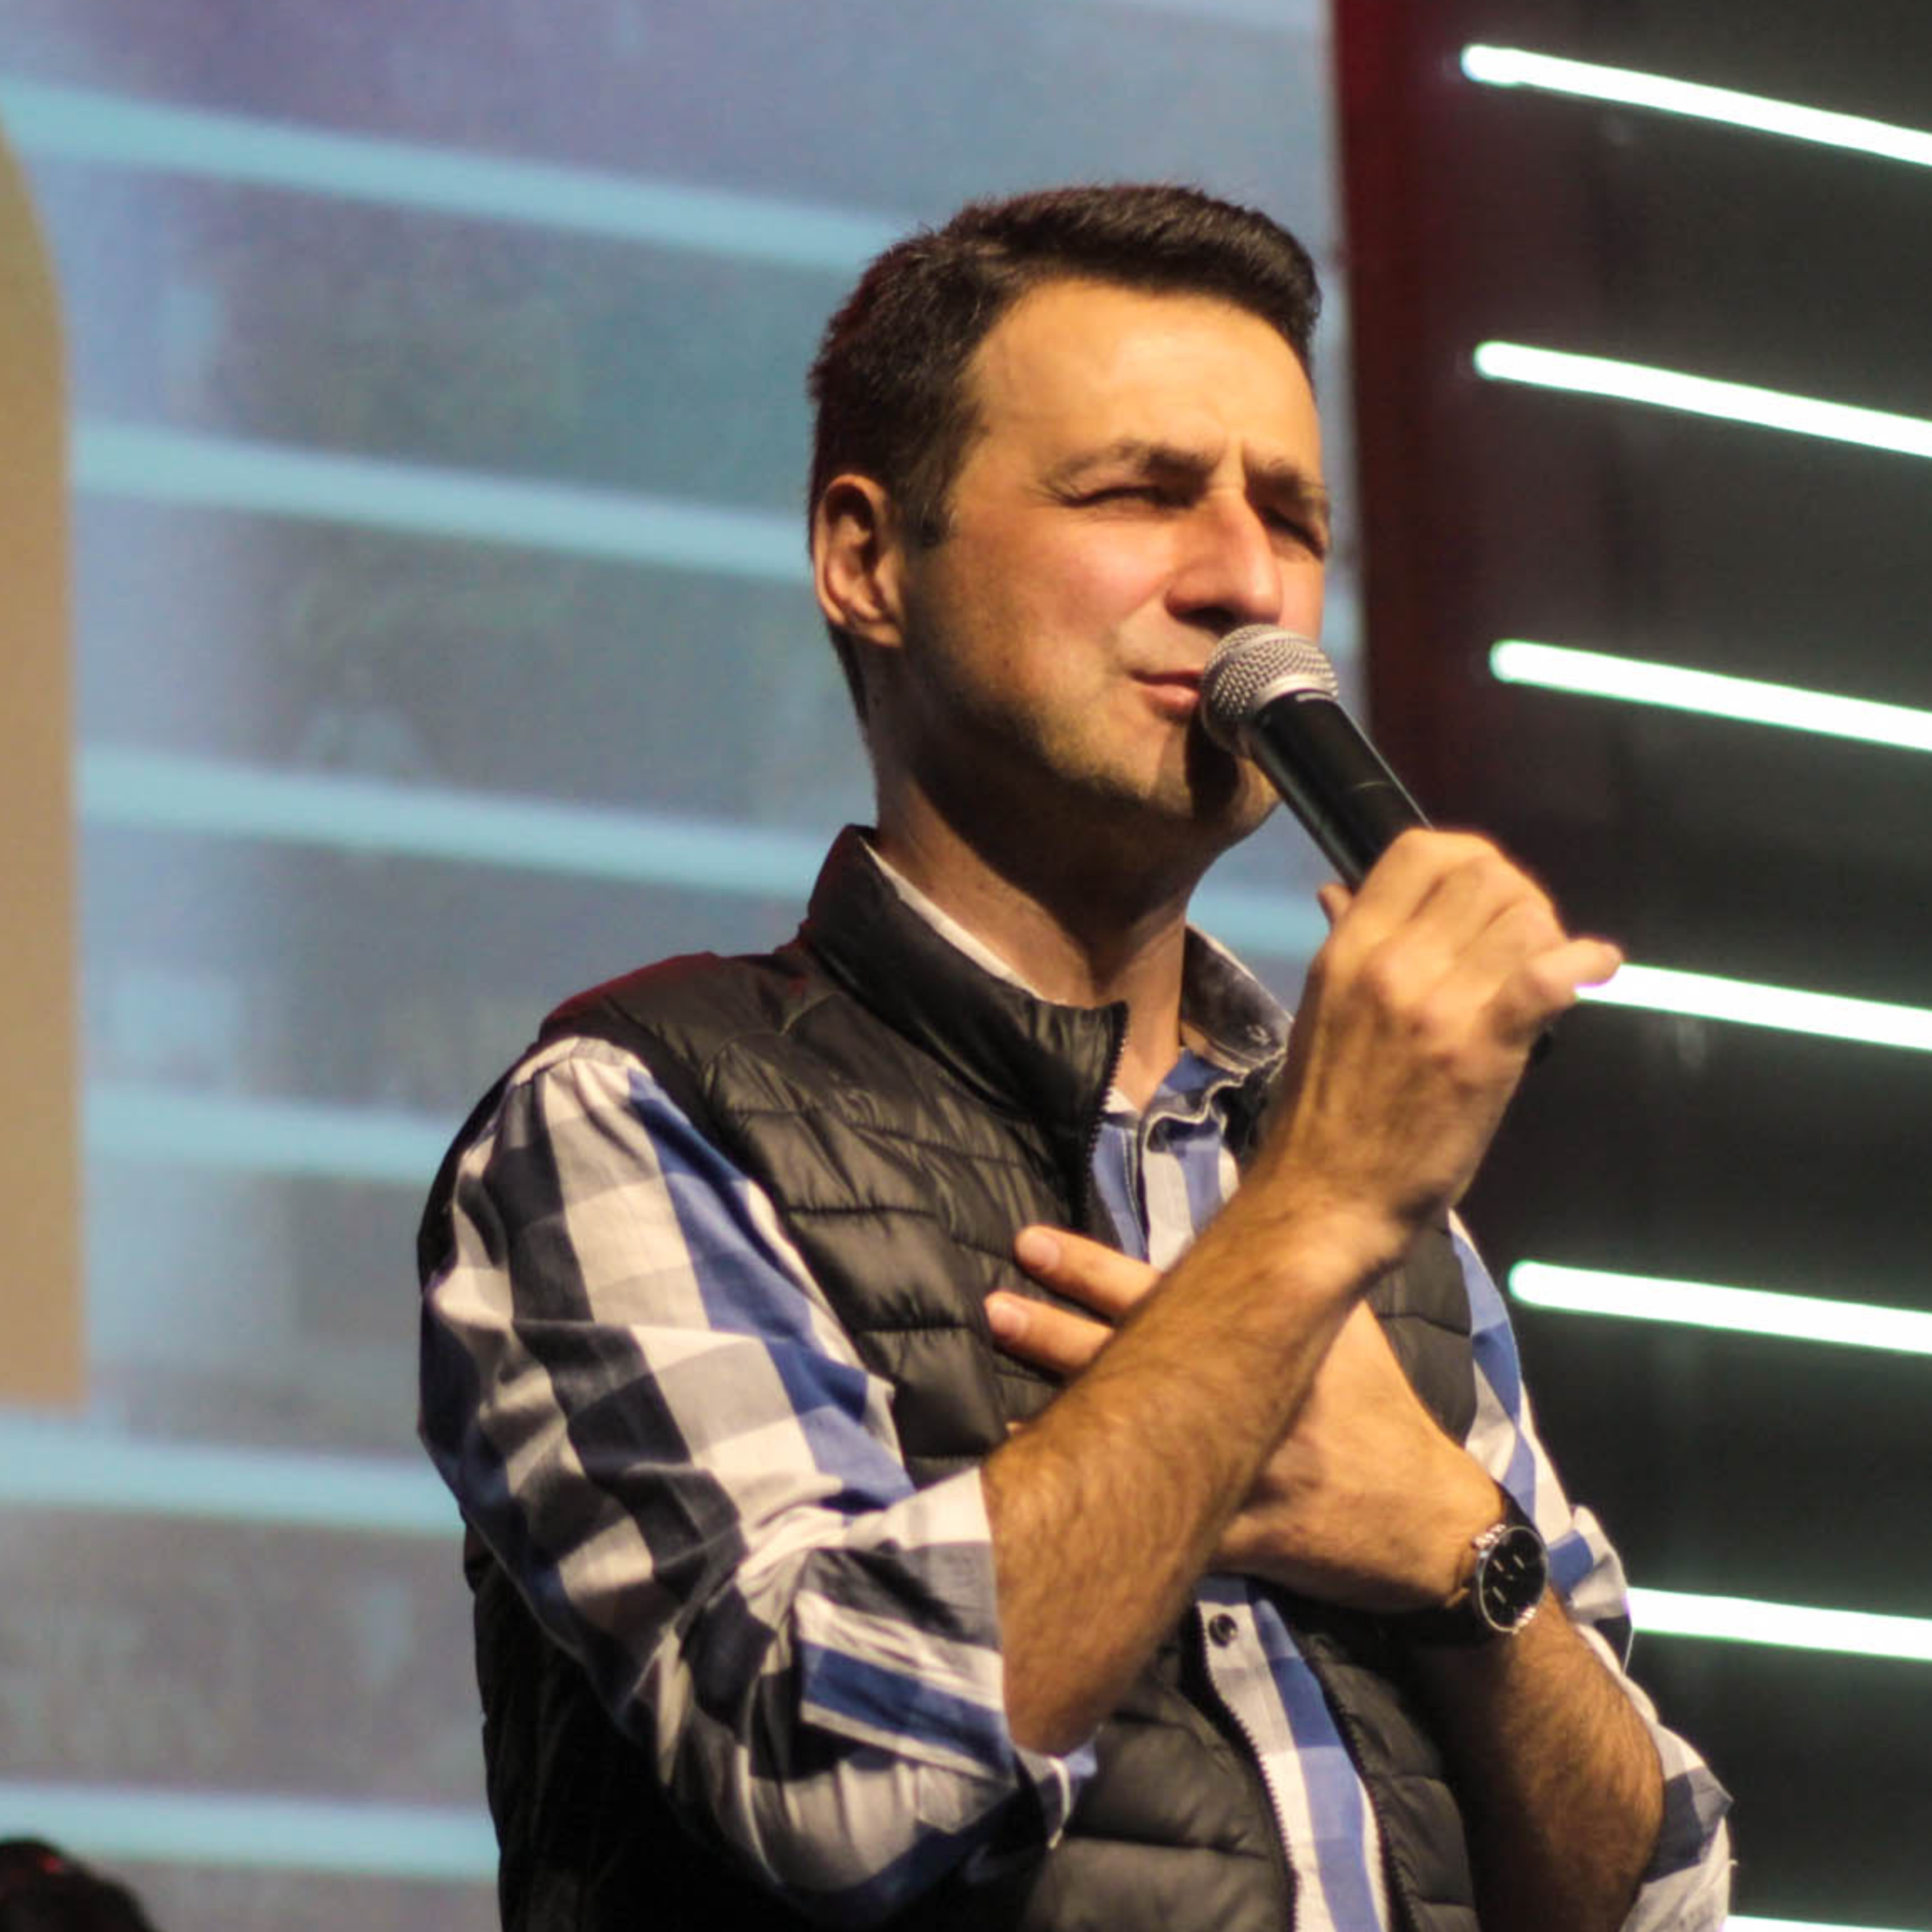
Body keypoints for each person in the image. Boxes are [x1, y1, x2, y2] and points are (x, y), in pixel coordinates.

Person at [417, 184, 1731, 1930]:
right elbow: (830, 1774)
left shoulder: (1373, 1210)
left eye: (1291, 518)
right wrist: (1313, 1219)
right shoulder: (640, 1117)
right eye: (1137, 494)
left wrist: (1457, 1553)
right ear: (867, 560)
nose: (1244, 585)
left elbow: (1663, 1899)